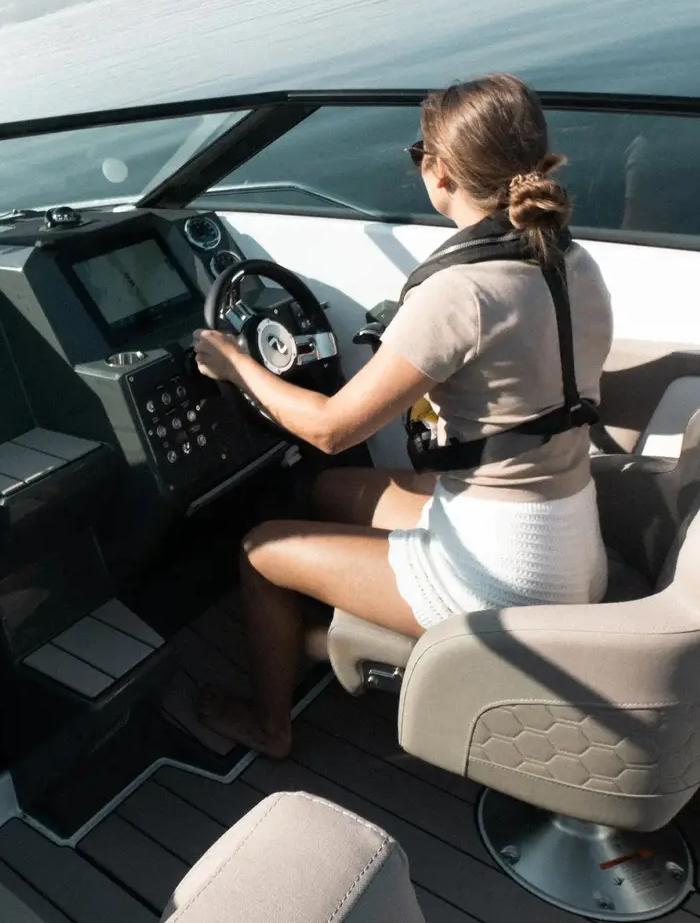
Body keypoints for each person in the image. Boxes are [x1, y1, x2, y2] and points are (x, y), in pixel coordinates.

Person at [192, 73, 613, 758]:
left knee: (258, 550)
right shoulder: (572, 258)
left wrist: (235, 363)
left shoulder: (460, 292)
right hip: (571, 547)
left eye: (420, 152)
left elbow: (332, 428)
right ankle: (312, 633)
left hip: (502, 578)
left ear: (438, 170)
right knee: (331, 490)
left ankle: (270, 728)